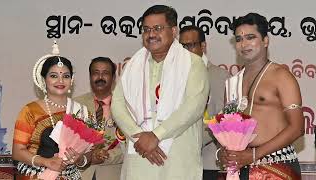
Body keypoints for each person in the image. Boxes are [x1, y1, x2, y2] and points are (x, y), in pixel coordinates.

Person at [111, 5, 209, 180]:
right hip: (139, 155)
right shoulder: (132, 66)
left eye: (158, 28)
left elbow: (194, 106)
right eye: (146, 29)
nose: (151, 34)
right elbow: (118, 105)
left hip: (177, 159)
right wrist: (139, 137)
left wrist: (157, 135)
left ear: (173, 31)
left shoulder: (193, 64)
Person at [219, 13, 304, 179]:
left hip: (275, 167)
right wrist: (223, 152)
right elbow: (226, 130)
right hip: (240, 167)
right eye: (238, 39)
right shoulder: (232, 83)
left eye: (251, 37)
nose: (244, 44)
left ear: (265, 41)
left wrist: (254, 154)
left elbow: (297, 128)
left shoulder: (281, 76)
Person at [12, 43, 90, 180]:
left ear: (71, 80)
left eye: (66, 76)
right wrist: (46, 162)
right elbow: (17, 152)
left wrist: (80, 159)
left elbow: (88, 154)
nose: (60, 80)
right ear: (44, 79)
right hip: (35, 176)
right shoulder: (30, 111)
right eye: (54, 76)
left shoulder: (81, 111)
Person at [179, 25, 230, 180]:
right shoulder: (173, 78)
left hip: (207, 163)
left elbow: (223, 118)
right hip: (177, 163)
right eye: (182, 46)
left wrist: (192, 141)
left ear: (203, 46)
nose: (186, 50)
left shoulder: (220, 76)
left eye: (191, 45)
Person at [74, 57, 124, 180]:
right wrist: (86, 157)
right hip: (81, 174)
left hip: (113, 174)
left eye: (105, 73)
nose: (100, 77)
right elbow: (67, 141)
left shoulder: (125, 106)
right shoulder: (76, 104)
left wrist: (107, 156)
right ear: (90, 77)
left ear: (113, 78)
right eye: (96, 73)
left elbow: (131, 146)